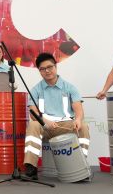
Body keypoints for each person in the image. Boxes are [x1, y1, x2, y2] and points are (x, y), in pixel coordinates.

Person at [23, 52, 90, 180]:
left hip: (65, 125)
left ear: (56, 66)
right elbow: (33, 113)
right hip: (46, 126)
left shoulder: (70, 88)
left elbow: (78, 110)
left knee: (84, 127)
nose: (47, 71)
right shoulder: (35, 90)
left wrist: (78, 119)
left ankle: (82, 166)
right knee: (33, 124)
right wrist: (45, 120)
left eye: (50, 67)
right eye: (43, 69)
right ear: (39, 71)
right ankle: (31, 167)